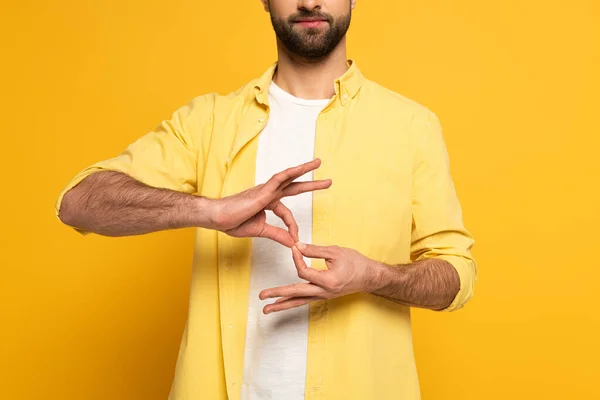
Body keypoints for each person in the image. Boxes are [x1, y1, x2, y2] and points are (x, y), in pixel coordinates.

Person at [56, 0, 477, 399]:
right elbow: (78, 203)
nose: (310, 2)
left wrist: (375, 277)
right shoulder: (209, 122)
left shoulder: (411, 127)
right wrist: (211, 210)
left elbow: (457, 275)